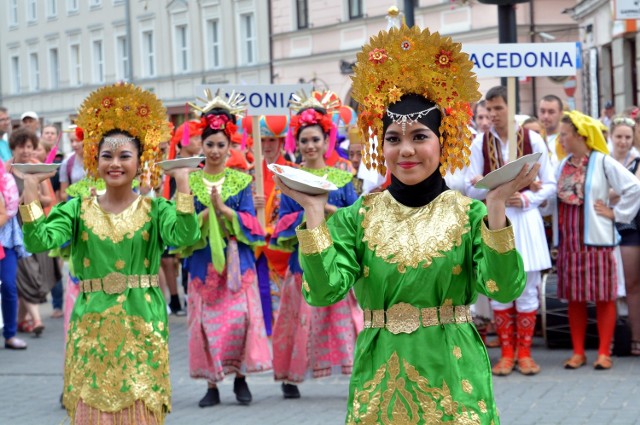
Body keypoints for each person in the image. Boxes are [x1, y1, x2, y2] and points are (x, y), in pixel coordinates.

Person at [276, 25, 537, 424]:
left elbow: (504, 286)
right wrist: (314, 212)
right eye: (394, 138)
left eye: (419, 136)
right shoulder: (357, 218)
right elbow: (324, 292)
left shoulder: (469, 215)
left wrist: (497, 205)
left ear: (443, 142)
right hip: (381, 379)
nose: (407, 150)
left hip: (453, 376)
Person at [18, 83, 199, 423]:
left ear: (140, 161)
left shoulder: (156, 209)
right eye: (107, 156)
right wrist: (30, 190)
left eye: (124, 156)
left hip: (142, 323)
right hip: (92, 327)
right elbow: (37, 242)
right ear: (94, 160)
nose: (115, 163)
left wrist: (183, 183)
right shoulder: (76, 209)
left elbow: (186, 235)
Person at [177, 91, 271, 408]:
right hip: (203, 263)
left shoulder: (241, 182)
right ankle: (212, 384)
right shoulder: (189, 181)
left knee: (240, 321)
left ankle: (241, 378)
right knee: (205, 326)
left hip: (236, 262)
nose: (215, 150)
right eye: (210, 144)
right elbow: (182, 227)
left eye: (221, 145)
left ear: (230, 148)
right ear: (200, 146)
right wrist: (206, 214)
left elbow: (256, 229)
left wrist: (228, 213)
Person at [270, 93, 362, 399]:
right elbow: (282, 223)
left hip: (336, 261)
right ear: (297, 143)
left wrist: (329, 211)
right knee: (298, 320)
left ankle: (357, 371)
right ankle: (291, 377)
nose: (310, 146)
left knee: (347, 320)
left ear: (327, 140)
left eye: (316, 139)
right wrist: (308, 211)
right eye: (304, 140)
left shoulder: (342, 177)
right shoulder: (290, 179)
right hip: (302, 262)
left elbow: (357, 218)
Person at [466, 85, 556, 376]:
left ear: (510, 107)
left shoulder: (532, 138)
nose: (492, 114)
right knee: (499, 287)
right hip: (496, 218)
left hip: (526, 218)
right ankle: (506, 354)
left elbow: (551, 183)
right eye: (488, 109)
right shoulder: (478, 143)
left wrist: (528, 197)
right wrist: (486, 186)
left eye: (497, 108)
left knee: (528, 288)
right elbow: (469, 188)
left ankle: (525, 354)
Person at [555, 110, 640, 370]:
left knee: (604, 296)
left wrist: (617, 214)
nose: (561, 139)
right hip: (570, 242)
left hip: (598, 240)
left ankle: (604, 352)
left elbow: (633, 187)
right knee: (574, 297)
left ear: (580, 136)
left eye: (565, 134)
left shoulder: (603, 161)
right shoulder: (563, 163)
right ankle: (578, 352)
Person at [7, 129, 58, 337]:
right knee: (27, 274)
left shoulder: (37, 167)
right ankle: (36, 319)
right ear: (14, 148)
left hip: (35, 220)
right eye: (22, 146)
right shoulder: (6, 169)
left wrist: (32, 194)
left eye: (30, 146)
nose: (27, 151)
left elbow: (48, 199)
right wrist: (17, 199)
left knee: (42, 271)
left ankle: (21, 320)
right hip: (14, 229)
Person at [252, 115, 294, 334]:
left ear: (281, 142)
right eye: (263, 140)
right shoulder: (251, 175)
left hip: (283, 249)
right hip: (258, 251)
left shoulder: (291, 173)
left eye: (271, 140)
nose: (266, 146)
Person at [609, 116, 640, 355]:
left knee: (632, 283)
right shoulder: (604, 160)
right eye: (619, 136)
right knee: (610, 283)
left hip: (630, 227)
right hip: (605, 225)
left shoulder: (637, 160)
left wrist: (614, 196)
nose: (623, 141)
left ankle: (636, 336)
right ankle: (614, 335)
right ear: (611, 136)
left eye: (627, 137)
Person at [0, 157, 28, 349]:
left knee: (9, 285)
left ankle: (10, 334)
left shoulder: (6, 180)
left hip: (5, 241)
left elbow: (7, 211)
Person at [538, 95, 564, 167]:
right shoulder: (534, 138)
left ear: (561, 114)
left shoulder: (566, 140)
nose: (546, 116)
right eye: (542, 111)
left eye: (551, 112)